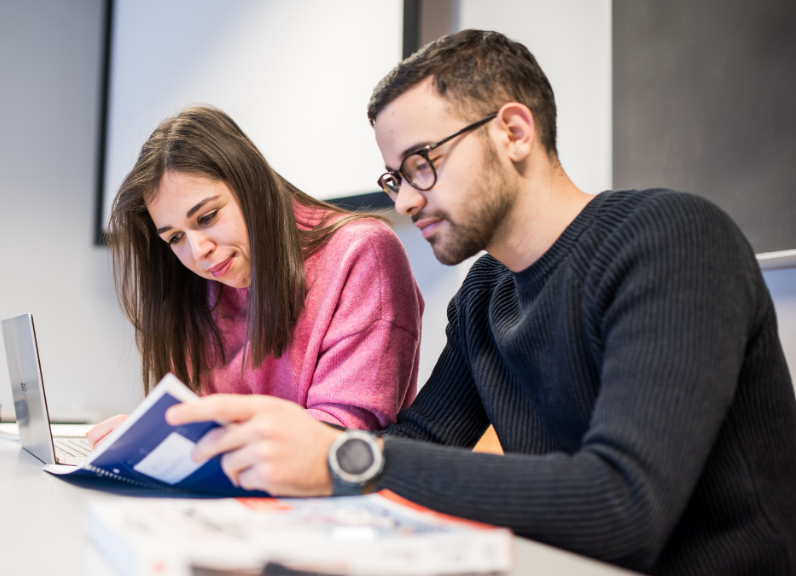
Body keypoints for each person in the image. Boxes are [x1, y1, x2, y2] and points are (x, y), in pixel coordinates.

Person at [162, 31, 796, 576]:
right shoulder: (485, 294)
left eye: (420, 164)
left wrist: (342, 457)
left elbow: (621, 505)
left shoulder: (673, 238)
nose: (406, 202)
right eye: (394, 178)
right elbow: (419, 442)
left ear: (513, 132)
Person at [87, 106, 423, 446]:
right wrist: (155, 437)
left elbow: (338, 440)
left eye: (207, 217)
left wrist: (198, 440)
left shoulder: (362, 252)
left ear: (250, 183)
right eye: (175, 237)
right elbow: (191, 423)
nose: (197, 250)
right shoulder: (196, 285)